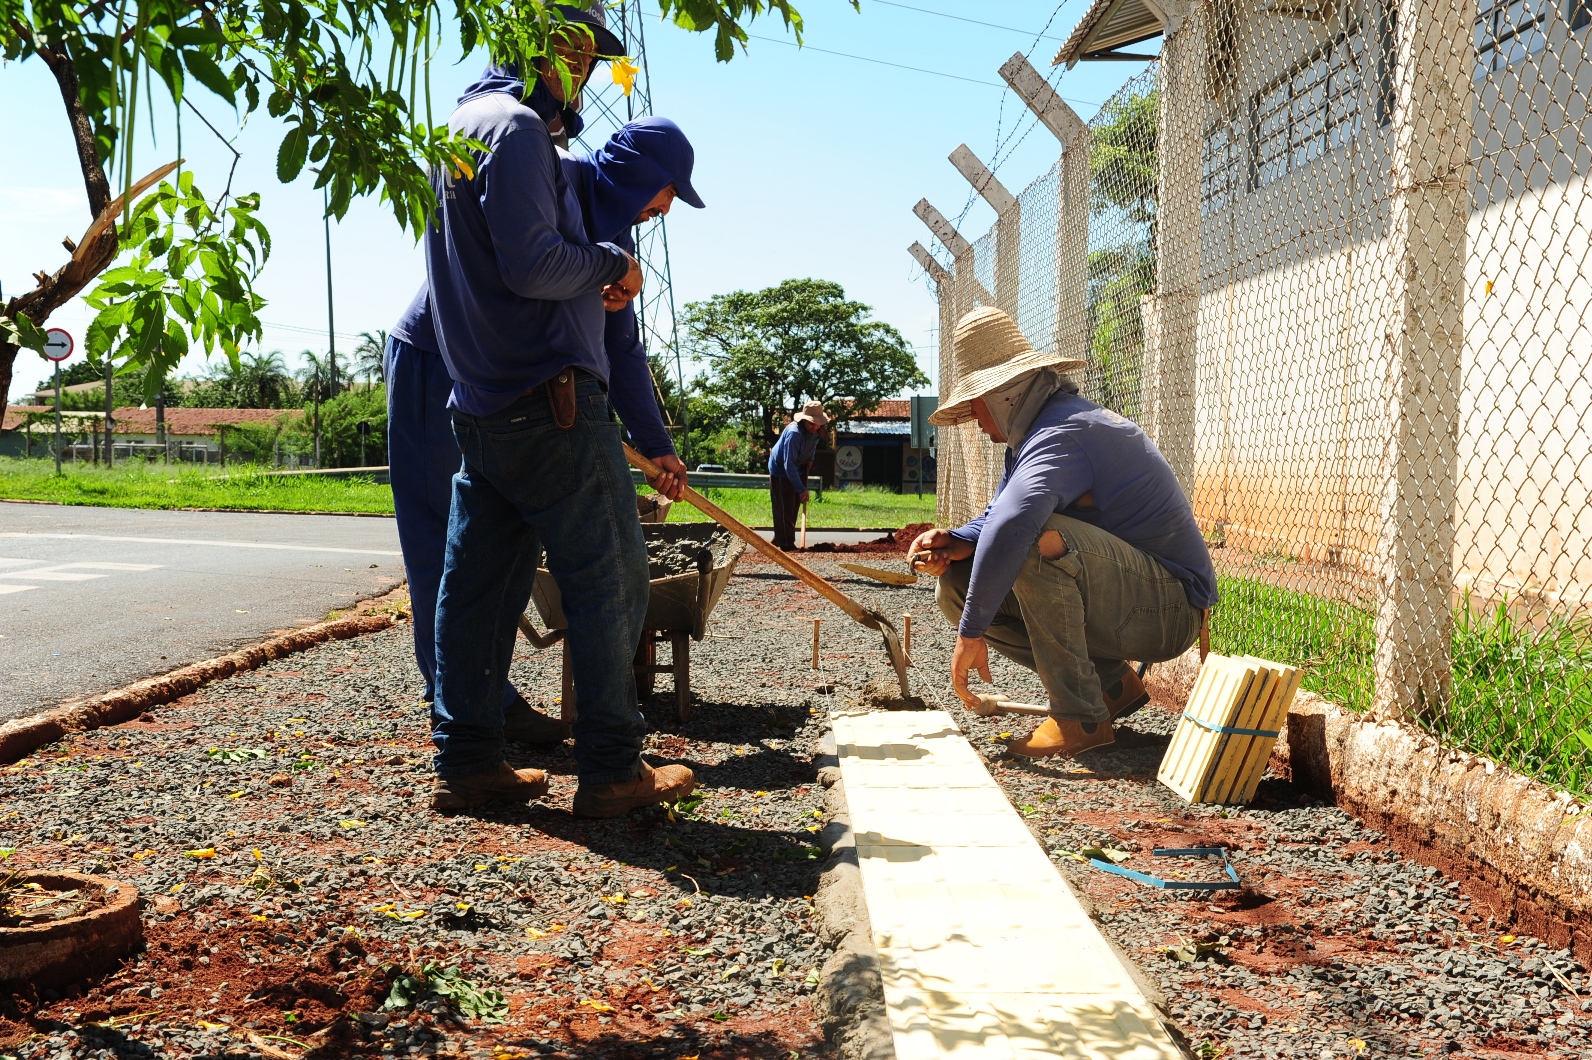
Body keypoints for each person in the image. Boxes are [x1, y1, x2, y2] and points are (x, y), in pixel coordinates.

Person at [422, 3, 696, 816]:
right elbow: (536, 267)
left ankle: (468, 761)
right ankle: (613, 769)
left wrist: (652, 434)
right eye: (571, 49)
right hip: (550, 409)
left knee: (477, 588)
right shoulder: (515, 132)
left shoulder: (467, 129)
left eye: (587, 53)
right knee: (611, 576)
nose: (579, 68)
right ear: (542, 50)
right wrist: (610, 260)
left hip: (485, 405)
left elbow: (604, 328)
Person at [383, 117, 702, 750]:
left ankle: (478, 711)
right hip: (438, 357)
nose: (664, 210)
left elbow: (620, 344)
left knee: (504, 541)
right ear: (640, 173)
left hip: (516, 381)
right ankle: (464, 707)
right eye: (668, 191)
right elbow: (523, 269)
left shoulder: (609, 232)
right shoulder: (548, 180)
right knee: (446, 543)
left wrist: (655, 441)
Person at [908, 306, 1218, 758]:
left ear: (1003, 395)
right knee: (957, 584)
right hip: (1132, 601)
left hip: (1170, 610)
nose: (975, 417)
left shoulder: (1064, 432)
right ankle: (1111, 688)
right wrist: (960, 541)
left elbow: (1016, 525)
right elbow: (998, 518)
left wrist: (970, 633)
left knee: (1035, 540)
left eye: (975, 403)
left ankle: (1079, 720)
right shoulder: (1036, 435)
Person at [768, 401, 829, 550]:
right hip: (781, 470)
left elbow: (812, 446)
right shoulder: (794, 433)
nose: (815, 427)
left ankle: (780, 536)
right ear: (804, 420)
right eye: (812, 424)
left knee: (794, 506)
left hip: (799, 467)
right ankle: (786, 544)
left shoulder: (815, 431)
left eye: (817, 424)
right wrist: (801, 489)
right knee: (785, 506)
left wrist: (810, 459)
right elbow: (788, 465)